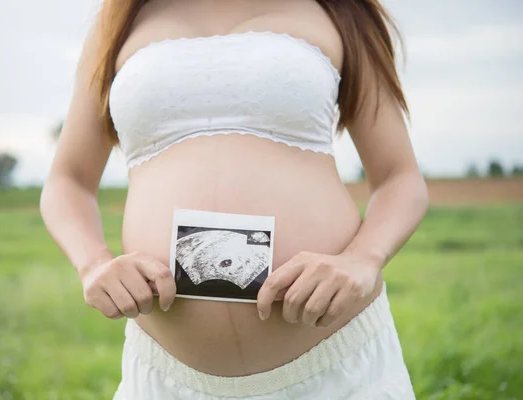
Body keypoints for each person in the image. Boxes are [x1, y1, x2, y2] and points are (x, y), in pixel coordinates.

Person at [40, 0, 428, 398]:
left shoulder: (342, 11)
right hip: (165, 378)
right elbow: (67, 182)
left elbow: (400, 179)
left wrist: (361, 260)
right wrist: (92, 264)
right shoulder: (119, 21)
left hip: (337, 368)